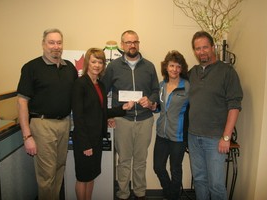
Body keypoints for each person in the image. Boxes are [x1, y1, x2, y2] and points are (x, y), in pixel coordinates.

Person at [17, 28, 78, 200]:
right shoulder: (31, 68)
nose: (56, 46)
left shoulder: (70, 68)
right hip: (42, 125)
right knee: (46, 175)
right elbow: (22, 102)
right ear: (43, 44)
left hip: (65, 124)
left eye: (59, 42)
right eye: (51, 42)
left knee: (59, 169)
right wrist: (27, 135)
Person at [101, 30, 160, 200]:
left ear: (138, 44)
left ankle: (140, 193)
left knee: (141, 161)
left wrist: (150, 101)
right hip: (122, 120)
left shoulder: (149, 66)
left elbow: (156, 90)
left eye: (135, 42)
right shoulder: (113, 66)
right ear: (122, 45)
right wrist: (109, 115)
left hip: (145, 120)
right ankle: (123, 194)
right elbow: (103, 92)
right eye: (128, 42)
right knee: (124, 160)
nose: (132, 45)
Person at [71, 48, 134, 200]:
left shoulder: (100, 85)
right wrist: (86, 144)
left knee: (91, 175)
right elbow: (78, 117)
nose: (97, 65)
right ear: (87, 63)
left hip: (96, 138)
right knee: (82, 177)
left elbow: (102, 111)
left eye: (100, 62)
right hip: (84, 139)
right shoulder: (80, 84)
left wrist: (122, 109)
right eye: (93, 61)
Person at [188, 31, 243, 200]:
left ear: (213, 47)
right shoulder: (193, 72)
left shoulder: (227, 72)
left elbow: (234, 106)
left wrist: (226, 137)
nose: (202, 51)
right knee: (199, 180)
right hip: (193, 136)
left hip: (215, 139)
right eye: (198, 48)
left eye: (205, 47)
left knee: (216, 185)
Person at [153, 50, 189, 200]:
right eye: (172, 65)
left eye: (178, 66)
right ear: (166, 67)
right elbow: (160, 107)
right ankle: (170, 193)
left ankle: (173, 196)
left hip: (178, 135)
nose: (174, 69)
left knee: (175, 169)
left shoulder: (187, 86)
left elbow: (193, 109)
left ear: (182, 69)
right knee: (158, 167)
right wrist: (152, 106)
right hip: (161, 133)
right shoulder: (161, 85)